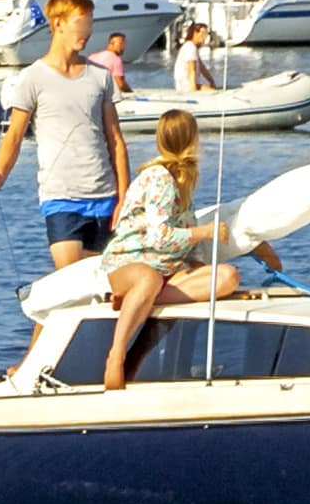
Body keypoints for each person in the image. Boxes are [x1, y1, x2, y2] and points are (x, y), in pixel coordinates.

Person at [96, 107, 279, 390]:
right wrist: (203, 233)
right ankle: (116, 355)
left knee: (227, 277)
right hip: (128, 264)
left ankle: (140, 300)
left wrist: (195, 262)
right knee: (148, 278)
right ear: (189, 140)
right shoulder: (160, 178)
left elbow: (183, 228)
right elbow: (160, 237)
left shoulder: (181, 181)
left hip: (168, 269)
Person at [0, 0, 130, 266]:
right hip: (60, 196)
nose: (87, 31)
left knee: (103, 283)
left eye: (90, 23)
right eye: (80, 23)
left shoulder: (101, 76)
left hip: (105, 195)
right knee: (70, 273)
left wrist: (124, 196)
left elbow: (116, 141)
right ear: (58, 23)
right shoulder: (32, 78)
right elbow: (13, 137)